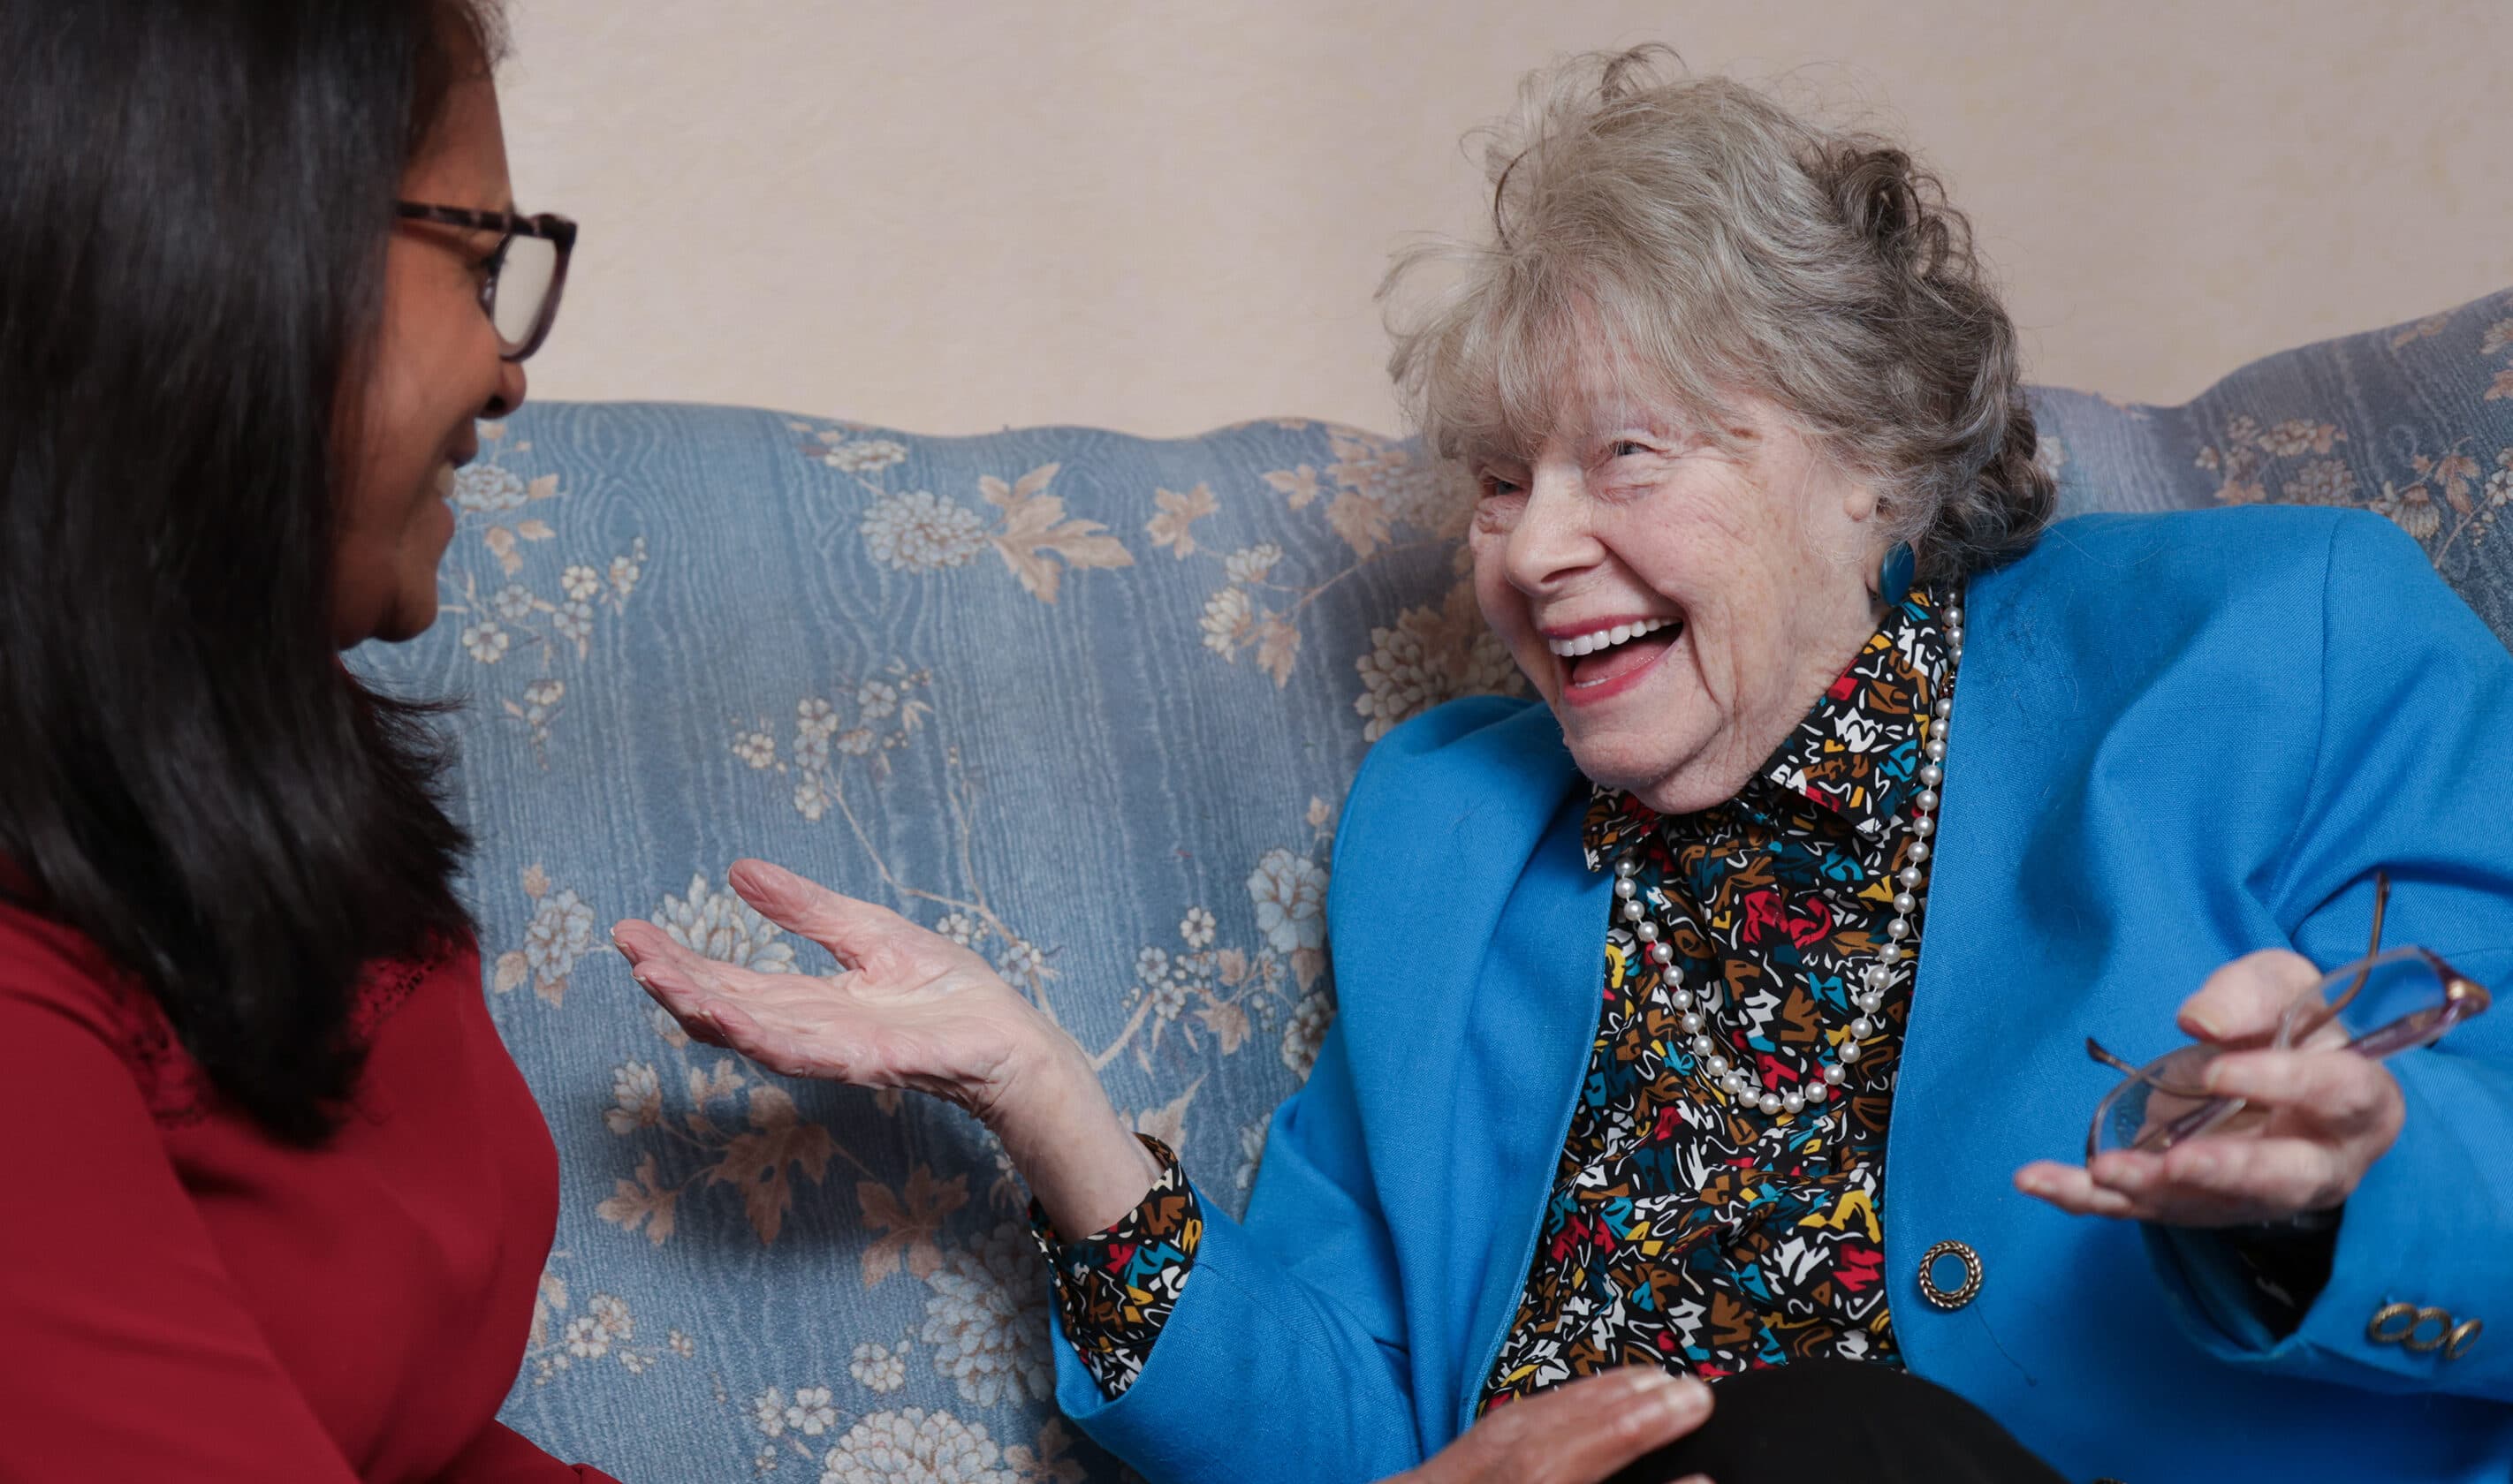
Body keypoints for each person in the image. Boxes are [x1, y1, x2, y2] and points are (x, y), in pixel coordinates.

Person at [618, 47, 2513, 1484]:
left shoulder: (2271, 648)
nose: (1531, 551)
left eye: (1628, 458)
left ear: (1873, 457)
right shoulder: (1449, 831)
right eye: (1499, 481)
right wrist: (1041, 1099)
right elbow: (1342, 1421)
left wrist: (2335, 1193)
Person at [0, 2, 615, 1476]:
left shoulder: (266, 762)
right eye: (476, 265)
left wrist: (1065, 1120)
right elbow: (1246, 1383)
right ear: (218, 264)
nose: (509, 370)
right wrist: (1112, 1212)